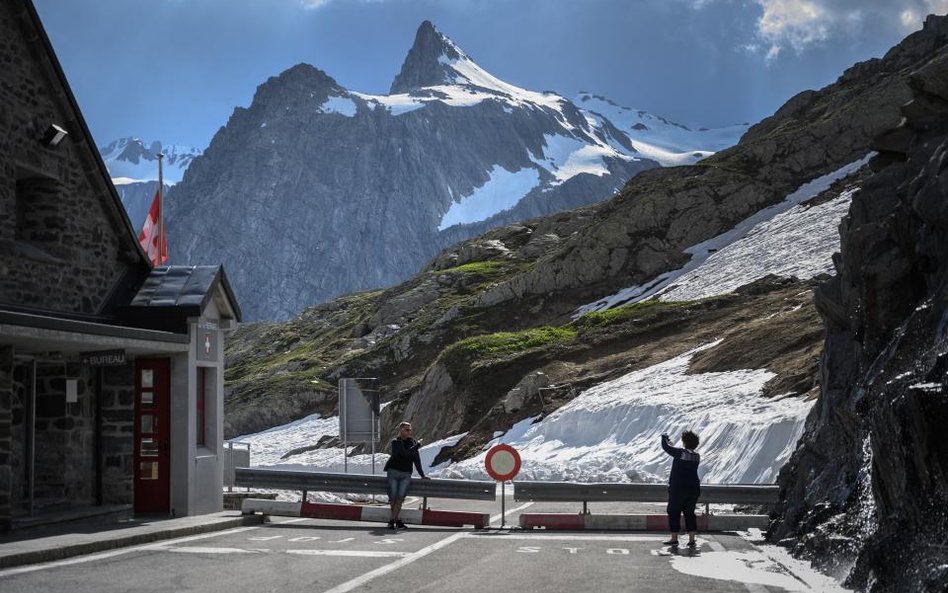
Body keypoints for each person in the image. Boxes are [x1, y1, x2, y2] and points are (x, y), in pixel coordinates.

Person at [383, 421, 428, 529]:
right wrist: (417, 445)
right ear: (401, 430)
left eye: (410, 430)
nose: (409, 432)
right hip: (393, 472)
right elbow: (404, 453)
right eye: (407, 429)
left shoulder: (412, 442)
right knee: (393, 497)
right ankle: (396, 520)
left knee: (400, 497)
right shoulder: (395, 442)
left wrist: (422, 475)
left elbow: (416, 459)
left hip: (406, 473)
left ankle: (392, 520)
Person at [660, 430, 701, 548]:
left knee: (673, 512)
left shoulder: (680, 453)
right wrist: (672, 445)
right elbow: (677, 451)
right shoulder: (696, 456)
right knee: (689, 513)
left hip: (678, 490)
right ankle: (691, 540)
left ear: (684, 442)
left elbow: (666, 447)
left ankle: (674, 538)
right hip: (693, 490)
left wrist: (664, 437)